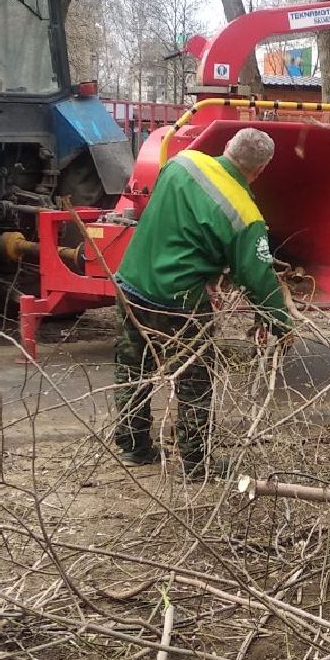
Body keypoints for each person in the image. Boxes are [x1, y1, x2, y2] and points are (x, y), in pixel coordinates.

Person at [112, 127, 292, 479]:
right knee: (195, 379)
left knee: (133, 367)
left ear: (227, 147)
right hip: (178, 299)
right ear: (262, 168)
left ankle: (133, 446)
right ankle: (195, 464)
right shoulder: (244, 214)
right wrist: (281, 323)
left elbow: (180, 221)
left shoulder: (182, 163)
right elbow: (257, 276)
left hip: (131, 281)